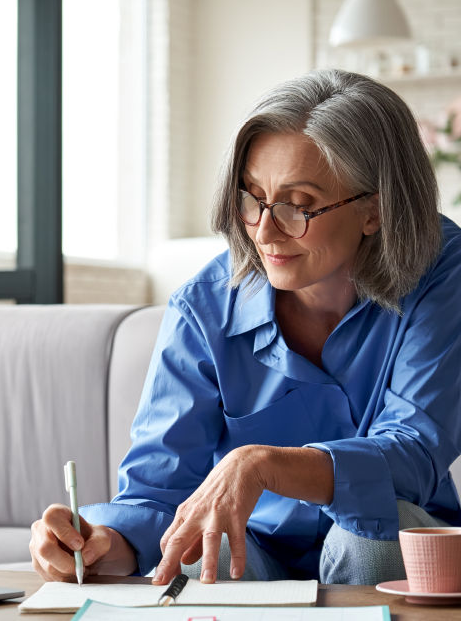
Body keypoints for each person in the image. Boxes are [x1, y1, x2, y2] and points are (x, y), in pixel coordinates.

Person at [30, 69, 461, 586]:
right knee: (194, 546)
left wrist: (263, 464)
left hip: (389, 541)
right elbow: (158, 491)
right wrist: (102, 545)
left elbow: (414, 451)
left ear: (375, 209)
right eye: (252, 197)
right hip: (253, 550)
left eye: (298, 206)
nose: (263, 230)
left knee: (366, 532)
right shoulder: (203, 305)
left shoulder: (440, 269)